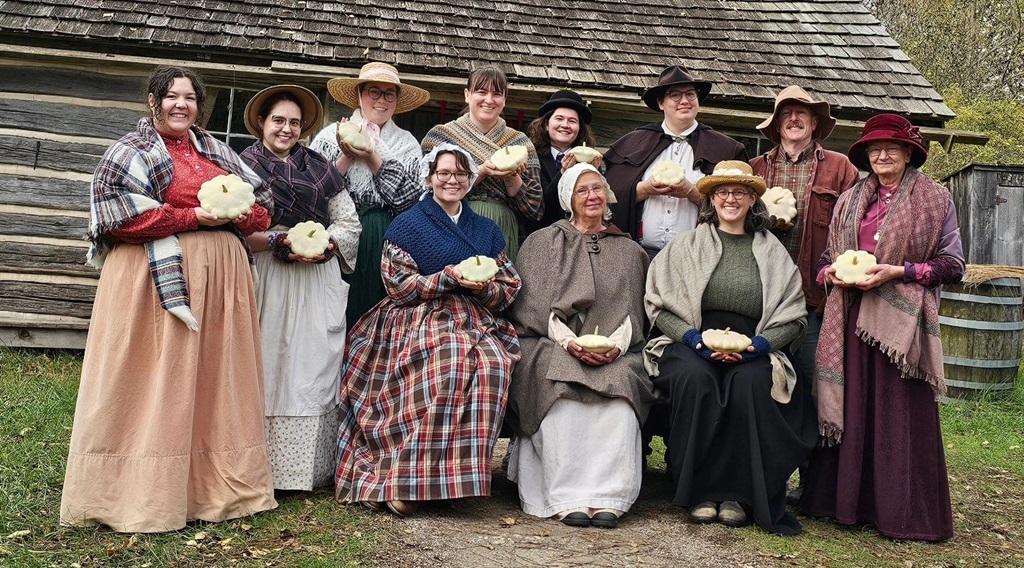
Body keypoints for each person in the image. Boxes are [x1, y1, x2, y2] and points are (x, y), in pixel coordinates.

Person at [61, 65, 277, 532]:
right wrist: (197, 215)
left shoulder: (218, 151)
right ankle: (139, 491)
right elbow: (118, 217)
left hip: (220, 283)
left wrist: (238, 212)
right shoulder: (129, 151)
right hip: (150, 281)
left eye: (190, 98)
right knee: (154, 375)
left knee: (214, 377)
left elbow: (262, 210)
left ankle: (209, 487)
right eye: (171, 96)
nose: (182, 105)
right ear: (154, 100)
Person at [799, 114, 965, 542]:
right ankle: (842, 504)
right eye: (874, 149)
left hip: (901, 328)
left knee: (897, 413)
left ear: (910, 153)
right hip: (851, 316)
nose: (882, 155)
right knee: (852, 407)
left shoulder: (936, 199)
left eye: (892, 147)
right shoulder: (850, 198)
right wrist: (830, 276)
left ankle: (901, 511)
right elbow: (824, 262)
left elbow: (953, 266)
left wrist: (900, 271)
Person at [335, 144, 522, 517]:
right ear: (429, 178)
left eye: (460, 174)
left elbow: (508, 285)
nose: (452, 180)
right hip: (417, 314)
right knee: (449, 360)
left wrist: (483, 287)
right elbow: (398, 284)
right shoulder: (408, 224)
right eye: (444, 173)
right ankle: (403, 477)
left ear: (470, 182)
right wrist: (446, 278)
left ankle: (449, 480)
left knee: (492, 365)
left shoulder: (485, 230)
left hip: (473, 315)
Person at [644, 161, 815, 535]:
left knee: (751, 383)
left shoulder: (773, 252)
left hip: (754, 344)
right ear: (711, 199)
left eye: (740, 192)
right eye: (723, 192)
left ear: (753, 200)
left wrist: (760, 346)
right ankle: (700, 492)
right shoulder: (685, 246)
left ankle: (738, 494)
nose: (731, 198)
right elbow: (659, 305)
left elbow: (794, 315)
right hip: (691, 340)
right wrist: (693, 340)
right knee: (695, 378)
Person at [506, 164, 657, 529]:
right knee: (560, 394)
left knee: (619, 395)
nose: (592, 196)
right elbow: (534, 309)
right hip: (551, 343)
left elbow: (635, 313)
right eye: (582, 190)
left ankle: (609, 496)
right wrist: (569, 343)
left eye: (597, 189)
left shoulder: (629, 250)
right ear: (568, 199)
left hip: (617, 351)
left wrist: (617, 347)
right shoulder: (542, 242)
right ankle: (566, 495)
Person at [239, 85, 361, 491]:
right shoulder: (242, 166)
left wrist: (327, 244)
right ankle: (257, 465)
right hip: (267, 271)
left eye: (294, 122)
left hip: (315, 275)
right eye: (278, 120)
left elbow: (348, 223)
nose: (286, 129)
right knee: (266, 356)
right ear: (261, 121)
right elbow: (236, 224)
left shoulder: (321, 168)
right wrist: (278, 241)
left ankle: (302, 472)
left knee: (310, 363)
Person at [748, 85, 860, 502]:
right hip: (762, 298)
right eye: (786, 114)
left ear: (816, 123)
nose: (794, 120)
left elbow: (854, 226)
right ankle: (765, 478)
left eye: (803, 114)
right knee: (763, 386)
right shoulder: (755, 168)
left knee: (817, 388)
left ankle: (816, 484)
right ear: (776, 124)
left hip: (816, 299)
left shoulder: (840, 168)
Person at [308, 62, 430, 325]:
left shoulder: (406, 144)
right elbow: (315, 192)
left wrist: (373, 156)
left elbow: (411, 202)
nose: (381, 100)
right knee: (335, 309)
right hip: (338, 232)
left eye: (389, 94)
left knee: (378, 309)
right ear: (360, 95)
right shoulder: (329, 137)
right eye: (374, 92)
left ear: (396, 100)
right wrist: (347, 156)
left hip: (386, 234)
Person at [604, 64, 748, 255]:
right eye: (675, 95)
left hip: (698, 256)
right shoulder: (632, 143)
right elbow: (607, 196)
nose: (685, 101)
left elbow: (739, 203)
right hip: (638, 254)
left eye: (690, 94)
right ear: (661, 103)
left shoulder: (727, 149)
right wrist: (643, 189)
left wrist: (691, 192)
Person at [421, 66, 543, 261]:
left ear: (504, 101)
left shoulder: (520, 143)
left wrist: (512, 175)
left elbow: (535, 209)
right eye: (481, 91)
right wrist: (482, 172)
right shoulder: (441, 137)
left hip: (503, 227)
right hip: (453, 225)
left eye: (496, 94)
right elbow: (426, 193)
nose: (489, 100)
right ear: (467, 95)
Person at [524, 89, 600, 232]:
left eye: (572, 121)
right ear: (546, 124)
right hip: (540, 235)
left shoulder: (589, 161)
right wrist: (563, 173)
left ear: (579, 129)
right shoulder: (531, 157)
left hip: (579, 235)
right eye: (559, 119)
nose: (565, 125)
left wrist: (595, 175)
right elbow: (539, 206)